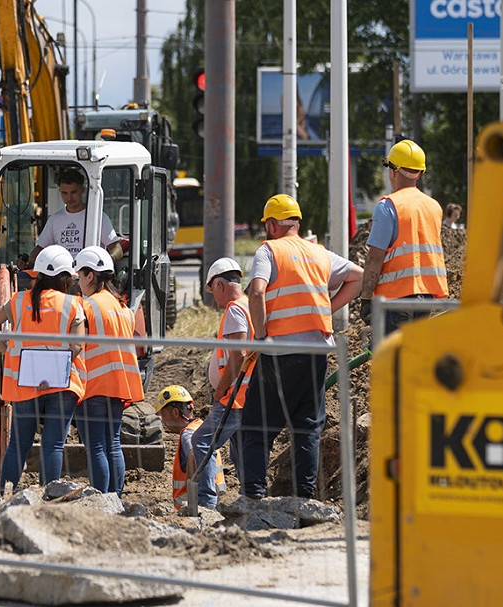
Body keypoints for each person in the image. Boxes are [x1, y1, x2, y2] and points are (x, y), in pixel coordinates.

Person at [242, 194, 363, 500]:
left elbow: (256, 292)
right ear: (296, 222)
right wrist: (328, 309)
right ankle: (304, 498)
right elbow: (358, 278)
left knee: (257, 425)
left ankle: (254, 495)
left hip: (279, 351)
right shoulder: (319, 253)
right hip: (317, 351)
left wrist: (260, 335)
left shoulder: (269, 250)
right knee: (306, 427)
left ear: (271, 225)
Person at [0, 244, 87, 493]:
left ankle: (4, 492)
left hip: (25, 381)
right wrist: (52, 372)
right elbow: (77, 346)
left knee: (18, 443)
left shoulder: (19, 301)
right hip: (61, 384)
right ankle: (48, 496)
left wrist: (9, 353)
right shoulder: (72, 304)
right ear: (65, 278)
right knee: (53, 445)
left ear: (37, 275)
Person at [73, 245, 144, 494]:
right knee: (113, 444)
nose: (78, 282)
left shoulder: (87, 306)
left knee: (96, 447)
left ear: (90, 275)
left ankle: (100, 501)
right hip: (119, 385)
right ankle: (116, 498)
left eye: (80, 276)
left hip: (92, 384)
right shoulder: (123, 308)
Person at [358, 139, 449, 331]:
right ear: (420, 173)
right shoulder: (434, 206)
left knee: (395, 357)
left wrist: (366, 297)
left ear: (393, 171)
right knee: (415, 354)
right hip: (427, 296)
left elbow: (375, 257)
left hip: (396, 299)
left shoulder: (387, 206)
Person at [190, 257, 251, 509]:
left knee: (201, 441)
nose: (214, 299)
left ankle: (206, 503)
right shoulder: (249, 305)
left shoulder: (235, 309)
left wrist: (221, 390)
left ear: (219, 285)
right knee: (240, 452)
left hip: (234, 397)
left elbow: (239, 354)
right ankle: (252, 498)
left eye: (212, 291)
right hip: (247, 395)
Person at [153, 385, 226, 512]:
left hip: (198, 508)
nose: (163, 421)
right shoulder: (203, 428)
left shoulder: (188, 434)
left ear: (175, 412)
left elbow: (193, 455)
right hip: (217, 502)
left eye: (163, 415)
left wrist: (193, 502)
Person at [27, 169, 123, 264]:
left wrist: (107, 262)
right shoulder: (54, 220)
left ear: (82, 190)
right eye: (64, 193)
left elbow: (116, 248)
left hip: (89, 274)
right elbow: (40, 248)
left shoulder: (98, 217)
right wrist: (27, 261)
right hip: (62, 274)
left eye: (73, 192)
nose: (69, 198)